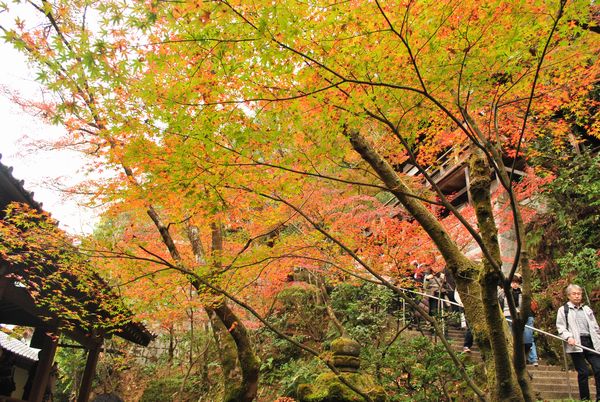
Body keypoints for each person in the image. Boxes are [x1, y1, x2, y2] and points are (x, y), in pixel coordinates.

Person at [556, 284, 600, 401]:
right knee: (583, 372)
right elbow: (561, 327)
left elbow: (595, 327)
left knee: (598, 368)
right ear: (569, 296)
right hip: (575, 343)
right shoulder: (563, 310)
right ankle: (585, 398)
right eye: (574, 294)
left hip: (590, 342)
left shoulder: (587, 309)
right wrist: (568, 337)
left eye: (579, 294)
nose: (577, 296)